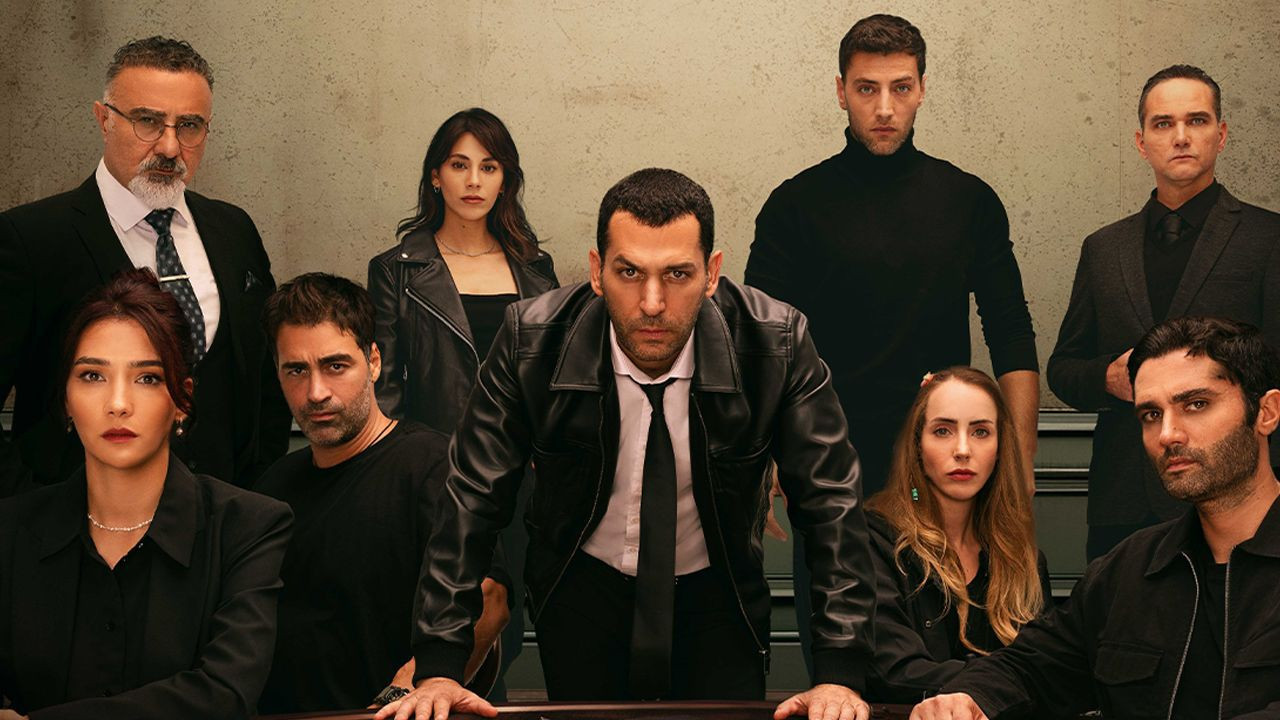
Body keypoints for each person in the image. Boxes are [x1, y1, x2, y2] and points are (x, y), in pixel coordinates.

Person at [378, 169, 876, 720]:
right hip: (582, 591)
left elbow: (831, 505)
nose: (653, 303)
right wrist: (440, 666)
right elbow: (470, 501)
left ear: (712, 273)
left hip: (720, 593)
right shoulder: (530, 340)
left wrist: (840, 674)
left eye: (678, 274)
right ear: (597, 271)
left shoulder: (776, 342)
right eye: (630, 272)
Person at [744, 13, 1039, 678]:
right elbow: (760, 347)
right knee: (843, 663)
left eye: (900, 88)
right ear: (840, 91)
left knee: (951, 658)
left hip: (944, 461)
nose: (884, 108)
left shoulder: (968, 200)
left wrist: (1019, 463)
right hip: (829, 469)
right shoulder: (794, 205)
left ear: (922, 89)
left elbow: (1011, 333)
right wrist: (763, 458)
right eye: (866, 88)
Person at [912, 316, 1280, 720]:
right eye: (1151, 415)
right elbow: (1031, 666)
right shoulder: (1129, 571)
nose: (1168, 435)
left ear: (1266, 412)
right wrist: (969, 697)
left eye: (1196, 405)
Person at [0, 36, 289, 496]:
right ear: (104, 120)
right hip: (83, 526)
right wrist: (31, 513)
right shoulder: (30, 240)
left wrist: (259, 495)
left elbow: (267, 383)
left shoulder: (234, 230)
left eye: (189, 125)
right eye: (148, 122)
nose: (170, 147)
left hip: (226, 519)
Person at [0, 268, 292, 719]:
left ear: (182, 401)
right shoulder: (10, 531)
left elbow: (224, 694)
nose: (118, 404)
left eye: (148, 378)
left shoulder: (247, 528)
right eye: (92, 376)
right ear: (66, 401)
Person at [1048, 64, 1280, 560]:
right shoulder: (1103, 248)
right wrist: (1107, 378)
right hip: (1123, 498)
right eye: (1163, 124)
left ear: (1221, 135)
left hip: (1235, 493)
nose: (1180, 137)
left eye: (1196, 121)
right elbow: (1063, 369)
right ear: (1141, 142)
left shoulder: (1269, 239)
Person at [254, 273, 510, 714]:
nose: (316, 392)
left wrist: (400, 698)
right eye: (296, 370)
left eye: (336, 366)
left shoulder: (431, 466)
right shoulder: (273, 488)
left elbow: (489, 599)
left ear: (373, 361)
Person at [368, 108, 557, 693]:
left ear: (506, 179)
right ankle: (418, 696)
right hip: (439, 475)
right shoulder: (398, 270)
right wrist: (407, 470)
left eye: (489, 167)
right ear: (435, 176)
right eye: (459, 165)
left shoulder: (535, 270)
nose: (474, 180)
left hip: (521, 477)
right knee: (448, 614)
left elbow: (552, 381)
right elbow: (385, 386)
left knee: (508, 623)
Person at [864, 367, 1048, 703]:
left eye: (980, 432)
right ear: (918, 445)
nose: (963, 450)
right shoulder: (875, 539)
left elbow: (1049, 670)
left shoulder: (1024, 559)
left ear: (1000, 447)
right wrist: (1007, 679)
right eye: (943, 431)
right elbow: (894, 671)